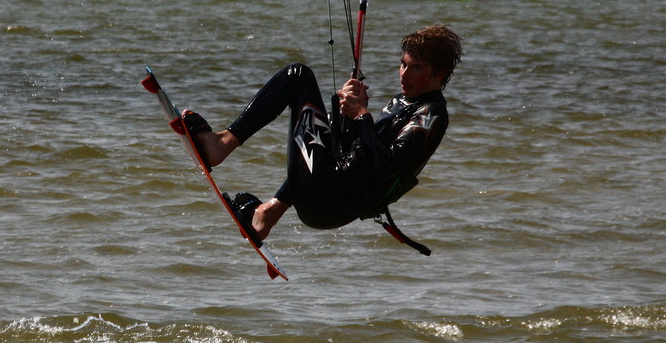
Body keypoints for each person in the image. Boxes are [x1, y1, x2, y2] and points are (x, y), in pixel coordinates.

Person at [182, 24, 462, 246]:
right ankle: (267, 214)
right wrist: (345, 112)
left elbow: (385, 167)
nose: (404, 74)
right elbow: (355, 151)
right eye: (403, 64)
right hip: (333, 190)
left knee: (298, 75)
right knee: (325, 122)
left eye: (416, 68)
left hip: (331, 199)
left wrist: (361, 115)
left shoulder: (431, 114)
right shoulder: (403, 101)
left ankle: (222, 144)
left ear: (439, 74)